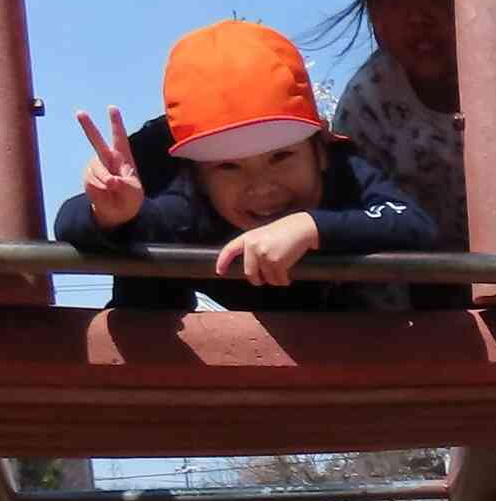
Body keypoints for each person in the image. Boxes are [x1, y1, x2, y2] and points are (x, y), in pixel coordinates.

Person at [54, 21, 437, 313]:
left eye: (281, 156)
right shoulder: (186, 212)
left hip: (344, 345)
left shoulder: (344, 175)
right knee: (142, 280)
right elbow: (71, 223)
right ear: (197, 177)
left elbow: (414, 224)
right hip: (200, 371)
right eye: (228, 167)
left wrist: (312, 227)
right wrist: (108, 214)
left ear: (320, 150)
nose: (261, 186)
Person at [325, 0, 468, 253]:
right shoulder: (367, 101)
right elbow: (362, 220)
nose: (418, 18)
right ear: (371, 9)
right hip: (419, 272)